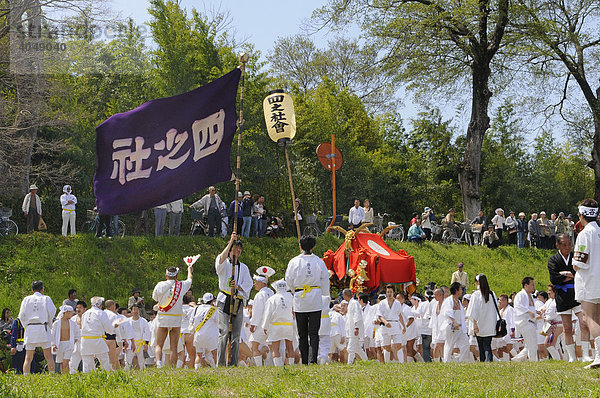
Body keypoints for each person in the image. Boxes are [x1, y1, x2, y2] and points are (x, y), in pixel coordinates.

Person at [285, 235, 330, 364]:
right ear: (313, 246)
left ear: (300, 246)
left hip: (301, 298)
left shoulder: (294, 261)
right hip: (315, 297)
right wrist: (324, 292)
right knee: (314, 333)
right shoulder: (319, 261)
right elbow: (324, 279)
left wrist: (295, 290)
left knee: (302, 332)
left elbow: (289, 279)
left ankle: (305, 360)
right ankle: (313, 359)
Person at [548, 233, 591, 362]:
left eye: (569, 244)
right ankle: (571, 356)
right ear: (558, 245)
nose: (568, 247)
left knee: (583, 324)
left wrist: (567, 274)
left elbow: (582, 271)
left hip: (577, 293)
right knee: (567, 328)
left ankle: (585, 354)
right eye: (564, 245)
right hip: (562, 296)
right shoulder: (553, 260)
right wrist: (572, 275)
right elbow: (554, 279)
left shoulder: (574, 257)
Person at [215, 233, 252, 366]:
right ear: (230, 250)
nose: (238, 251)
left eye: (239, 249)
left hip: (237, 300)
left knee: (236, 335)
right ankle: (220, 363)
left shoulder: (244, 268)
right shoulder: (224, 264)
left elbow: (248, 284)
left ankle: (233, 363)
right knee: (224, 332)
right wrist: (231, 241)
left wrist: (238, 287)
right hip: (224, 299)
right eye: (235, 249)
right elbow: (220, 260)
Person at [572, 198, 600, 368]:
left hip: (589, 280)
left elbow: (578, 263)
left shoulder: (584, 234)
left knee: (589, 318)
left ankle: (599, 356)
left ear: (581, 215)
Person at [152, 263, 193, 368]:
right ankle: (172, 367)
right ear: (176, 276)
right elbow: (189, 280)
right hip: (175, 318)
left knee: (159, 344)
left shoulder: (160, 285)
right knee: (173, 347)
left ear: (166, 276)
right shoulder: (181, 285)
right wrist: (189, 270)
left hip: (163, 316)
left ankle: (159, 363)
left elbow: (155, 298)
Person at [18, 280, 56, 374]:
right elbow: (52, 312)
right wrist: (49, 324)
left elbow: (21, 316)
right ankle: (52, 376)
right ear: (42, 289)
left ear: (32, 290)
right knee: (48, 356)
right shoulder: (46, 298)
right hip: (42, 327)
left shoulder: (26, 299)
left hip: (31, 328)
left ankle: (26, 377)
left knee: (28, 357)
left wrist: (26, 326)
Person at [261, 279, 295, 366]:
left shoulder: (272, 299)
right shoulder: (291, 297)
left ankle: (278, 367)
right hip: (289, 324)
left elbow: (267, 314)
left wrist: (265, 326)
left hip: (276, 325)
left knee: (275, 348)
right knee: (290, 346)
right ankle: (291, 365)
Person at [465, 274, 497, 362]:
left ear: (478, 282)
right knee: (487, 344)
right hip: (490, 324)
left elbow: (472, 311)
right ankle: (487, 361)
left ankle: (485, 361)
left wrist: (474, 324)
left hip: (479, 325)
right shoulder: (492, 293)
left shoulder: (476, 294)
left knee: (481, 345)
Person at [249, 268, 275, 367]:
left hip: (261, 324)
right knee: (271, 345)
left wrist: (253, 325)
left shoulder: (260, 295)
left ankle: (259, 367)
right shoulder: (271, 292)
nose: (255, 284)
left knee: (254, 346)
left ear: (261, 283)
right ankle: (270, 363)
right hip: (271, 323)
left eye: (256, 282)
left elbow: (258, 311)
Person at [80, 297, 113, 372]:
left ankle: (87, 379)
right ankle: (106, 376)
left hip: (85, 340)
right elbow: (108, 328)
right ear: (100, 305)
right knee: (104, 359)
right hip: (97, 339)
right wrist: (112, 330)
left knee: (87, 362)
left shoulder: (85, 314)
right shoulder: (101, 313)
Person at [441, 282, 470, 362]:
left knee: (466, 345)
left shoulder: (458, 301)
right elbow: (447, 312)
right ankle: (446, 362)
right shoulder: (449, 301)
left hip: (460, 327)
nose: (461, 291)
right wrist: (454, 321)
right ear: (457, 290)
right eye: (460, 289)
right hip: (452, 326)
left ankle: (462, 361)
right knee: (449, 345)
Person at [376, 284, 404, 363]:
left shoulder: (397, 303)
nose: (389, 294)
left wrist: (404, 326)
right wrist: (385, 322)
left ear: (393, 293)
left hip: (395, 324)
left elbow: (400, 315)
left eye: (391, 292)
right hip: (386, 325)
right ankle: (387, 363)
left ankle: (402, 363)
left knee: (398, 344)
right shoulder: (382, 303)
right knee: (386, 346)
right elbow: (379, 315)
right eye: (388, 292)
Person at [513, 277, 538, 362]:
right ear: (526, 285)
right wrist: (529, 312)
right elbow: (518, 306)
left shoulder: (530, 296)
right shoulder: (520, 295)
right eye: (532, 285)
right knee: (532, 345)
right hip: (525, 322)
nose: (534, 286)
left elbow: (530, 308)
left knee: (530, 345)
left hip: (531, 322)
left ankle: (516, 359)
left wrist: (537, 311)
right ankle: (533, 362)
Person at [191, 293, 219, 368]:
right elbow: (218, 321)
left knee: (198, 355)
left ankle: (196, 370)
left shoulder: (196, 309)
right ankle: (216, 369)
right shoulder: (214, 310)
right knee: (215, 354)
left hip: (198, 335)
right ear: (212, 301)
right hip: (210, 336)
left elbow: (192, 320)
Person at [51, 305, 80, 373]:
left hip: (68, 344)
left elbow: (78, 332)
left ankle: (66, 375)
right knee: (61, 363)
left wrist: (75, 339)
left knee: (66, 362)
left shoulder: (72, 323)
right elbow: (52, 334)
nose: (72, 314)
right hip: (59, 344)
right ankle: (64, 376)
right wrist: (53, 344)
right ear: (66, 312)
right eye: (71, 312)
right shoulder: (56, 323)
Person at [342, 288, 367, 364]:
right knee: (357, 349)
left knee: (350, 348)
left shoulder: (354, 303)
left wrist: (356, 327)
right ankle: (366, 361)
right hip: (351, 329)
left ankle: (350, 363)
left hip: (354, 329)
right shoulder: (350, 303)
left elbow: (357, 315)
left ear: (345, 295)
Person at [124, 303, 151, 370]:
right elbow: (125, 332)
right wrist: (124, 344)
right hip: (131, 343)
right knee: (128, 361)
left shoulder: (143, 321)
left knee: (141, 361)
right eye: (134, 310)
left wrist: (146, 343)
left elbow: (147, 332)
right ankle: (126, 372)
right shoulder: (127, 321)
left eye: (137, 310)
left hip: (140, 343)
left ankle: (143, 372)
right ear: (131, 311)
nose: (136, 312)